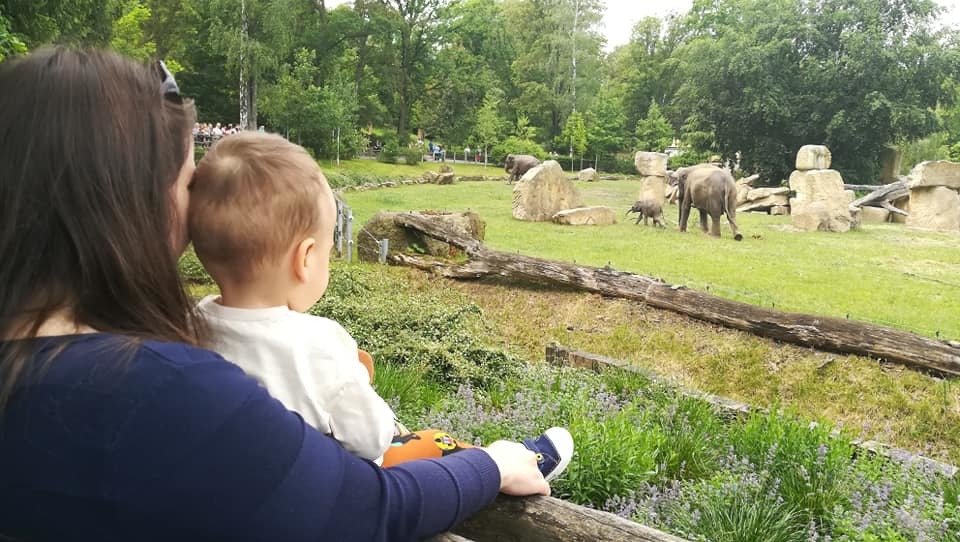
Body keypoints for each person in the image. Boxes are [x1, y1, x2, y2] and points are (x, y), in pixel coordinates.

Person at [0, 47, 550, 541]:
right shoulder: (156, 389)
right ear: (126, 198)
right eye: (190, 184)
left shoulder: (39, 362)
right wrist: (493, 465)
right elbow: (370, 509)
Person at [188, 131, 574, 474]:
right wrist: (355, 382)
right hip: (337, 485)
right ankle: (514, 464)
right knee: (433, 442)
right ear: (305, 259)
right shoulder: (319, 342)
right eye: (326, 250)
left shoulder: (191, 326)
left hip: (248, 487)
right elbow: (371, 439)